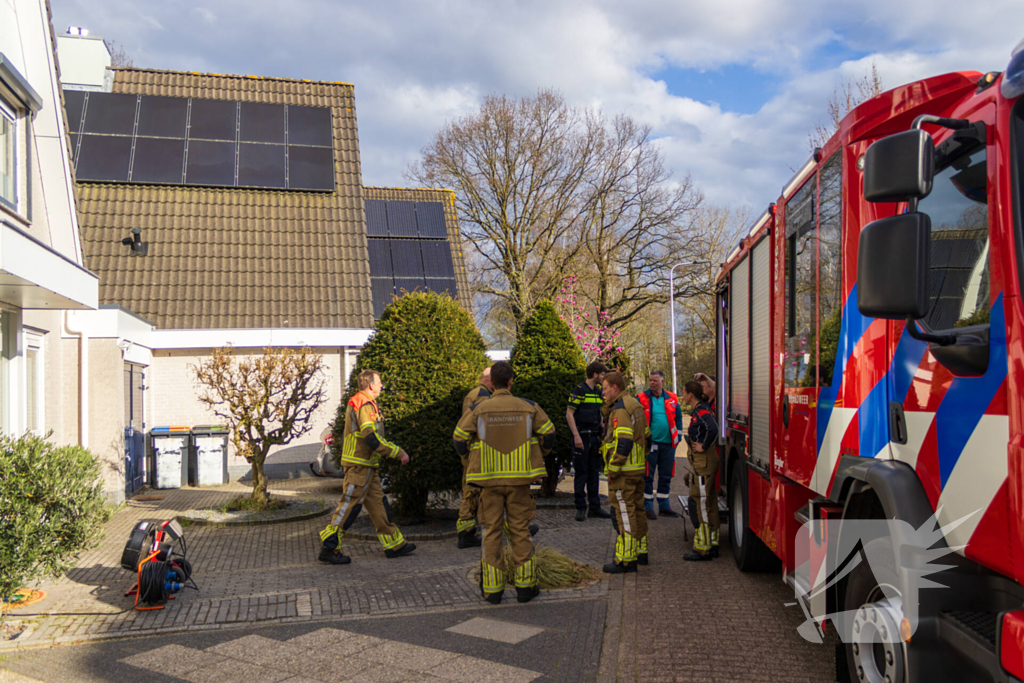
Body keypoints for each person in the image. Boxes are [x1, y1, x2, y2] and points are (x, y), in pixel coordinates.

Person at [453, 361, 554, 604]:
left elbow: (458, 439)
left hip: (488, 482)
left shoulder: (478, 408)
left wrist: (470, 459)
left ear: (492, 383)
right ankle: (525, 588)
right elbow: (549, 433)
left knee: (490, 531)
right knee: (520, 531)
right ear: (510, 382)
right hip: (520, 481)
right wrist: (541, 454)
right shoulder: (529, 406)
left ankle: (493, 590)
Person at [319, 370, 416, 565]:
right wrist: (398, 452)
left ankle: (394, 544)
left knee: (379, 504)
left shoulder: (366, 403)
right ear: (371, 385)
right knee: (349, 505)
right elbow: (370, 437)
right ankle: (329, 547)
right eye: (379, 382)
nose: (382, 386)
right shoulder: (364, 403)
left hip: (367, 466)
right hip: (359, 465)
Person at [599, 371, 649, 573]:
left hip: (624, 471)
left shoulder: (620, 409)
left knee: (624, 514)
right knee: (638, 510)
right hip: (636, 468)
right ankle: (640, 550)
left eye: (604, 389)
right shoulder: (634, 404)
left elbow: (624, 440)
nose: (603, 393)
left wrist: (613, 467)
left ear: (615, 388)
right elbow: (647, 435)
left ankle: (626, 559)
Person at [566, 361, 612, 522]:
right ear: (595, 374)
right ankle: (580, 508)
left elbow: (599, 412)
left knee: (594, 473)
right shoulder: (579, 391)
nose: (603, 378)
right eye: (602, 375)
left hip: (595, 436)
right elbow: (569, 414)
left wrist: (601, 424)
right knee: (581, 473)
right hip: (582, 437)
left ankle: (594, 507)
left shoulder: (598, 391)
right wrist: (576, 435)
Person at [682, 379, 720, 561]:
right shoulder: (700, 410)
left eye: (684, 392)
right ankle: (712, 542)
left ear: (690, 394)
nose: (682, 396)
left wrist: (704, 446)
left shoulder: (702, 411)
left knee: (700, 503)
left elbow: (713, 429)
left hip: (703, 462)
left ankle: (702, 548)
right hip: (703, 463)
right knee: (710, 502)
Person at [455, 367, 494, 549]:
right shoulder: (484, 397)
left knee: (470, 490)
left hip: (471, 452)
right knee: (475, 491)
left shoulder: (473, 393)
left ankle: (467, 531)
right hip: (479, 453)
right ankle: (466, 533)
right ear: (490, 380)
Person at [637, 371, 683, 520]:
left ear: (662, 381)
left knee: (666, 476)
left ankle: (664, 506)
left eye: (655, 380)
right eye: (650, 380)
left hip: (668, 445)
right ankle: (648, 507)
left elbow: (679, 418)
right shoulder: (641, 398)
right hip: (650, 445)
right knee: (647, 476)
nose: (652, 383)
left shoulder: (672, 398)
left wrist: (679, 436)